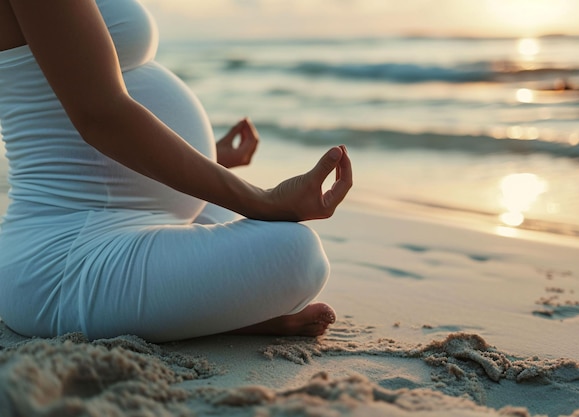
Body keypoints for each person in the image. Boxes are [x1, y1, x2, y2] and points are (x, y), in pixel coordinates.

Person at [0, 0, 352, 343]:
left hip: (142, 217)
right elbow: (100, 116)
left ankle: (195, 314)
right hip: (65, 254)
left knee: (261, 233)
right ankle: (216, 320)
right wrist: (263, 200)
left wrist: (210, 156)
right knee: (296, 255)